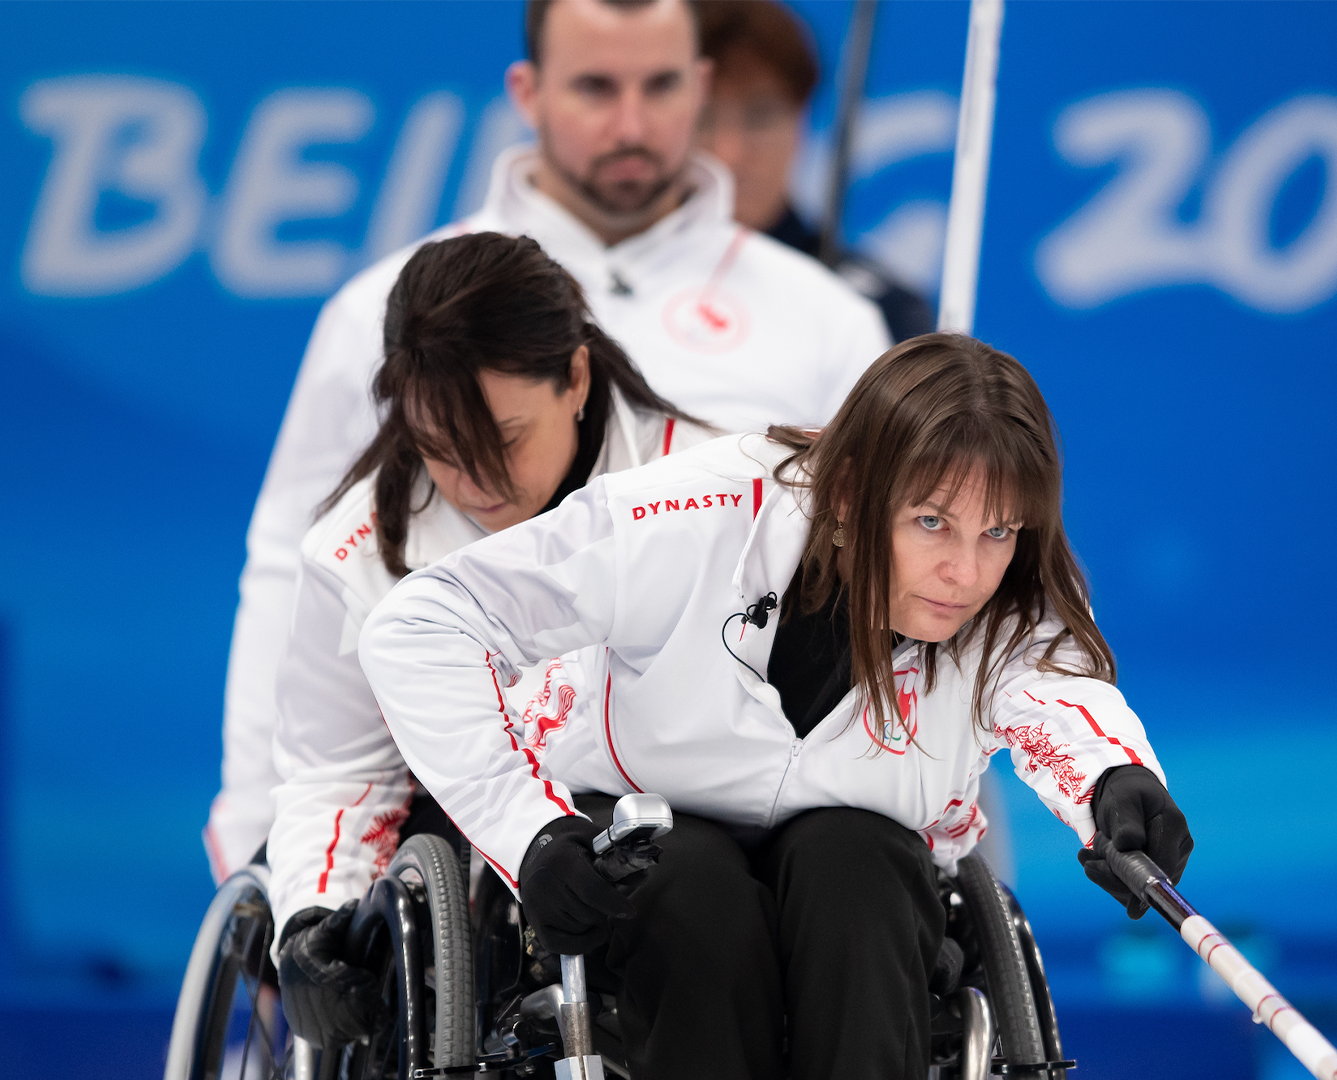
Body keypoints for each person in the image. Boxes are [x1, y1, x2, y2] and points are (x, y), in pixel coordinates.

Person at [351, 334, 1193, 1078]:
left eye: (997, 533)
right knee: (689, 885)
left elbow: (1057, 692)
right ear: (854, 491)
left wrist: (1114, 780)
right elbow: (421, 623)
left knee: (856, 864)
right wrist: (524, 830)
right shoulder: (690, 519)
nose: (966, 573)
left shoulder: (1012, 596)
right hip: (648, 832)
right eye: (931, 521)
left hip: (860, 865)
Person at [205, 0, 893, 881]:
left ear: (702, 87)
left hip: (724, 771)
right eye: (596, 88)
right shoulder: (389, 313)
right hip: (462, 779)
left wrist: (959, 845)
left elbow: (898, 565)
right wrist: (264, 837)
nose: (632, 124)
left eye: (662, 85)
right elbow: (294, 569)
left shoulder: (824, 319)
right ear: (528, 93)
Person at [267, 231, 715, 1043]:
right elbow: (340, 775)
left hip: (686, 824)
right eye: (440, 451)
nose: (478, 484)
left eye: (506, 440)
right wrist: (311, 921)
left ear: (575, 378)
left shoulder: (709, 488)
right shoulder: (358, 550)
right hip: (478, 843)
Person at [696, 0, 935, 342]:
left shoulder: (878, 311)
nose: (730, 151)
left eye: (760, 117)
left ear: (802, 118)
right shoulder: (613, 281)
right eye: (704, 120)